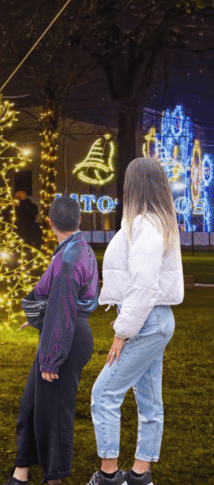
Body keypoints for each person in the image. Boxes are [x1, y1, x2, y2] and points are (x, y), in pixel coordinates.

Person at [87, 158, 184, 485]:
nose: (124, 187)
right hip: (154, 320)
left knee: (104, 394)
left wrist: (121, 333)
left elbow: (143, 286)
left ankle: (109, 476)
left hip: (146, 322)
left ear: (136, 185)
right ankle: (140, 475)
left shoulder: (148, 225)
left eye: (127, 181)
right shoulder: (152, 222)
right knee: (149, 402)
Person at [3, 196, 99, 485]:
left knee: (54, 415)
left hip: (66, 339)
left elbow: (64, 305)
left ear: (49, 223)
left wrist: (52, 357)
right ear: (79, 220)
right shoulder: (76, 249)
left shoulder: (68, 259)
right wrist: (38, 318)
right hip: (60, 330)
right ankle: (20, 475)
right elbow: (58, 300)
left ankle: (53, 480)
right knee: (30, 407)